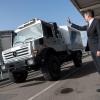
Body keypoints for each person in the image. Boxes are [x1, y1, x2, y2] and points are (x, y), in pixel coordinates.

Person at [68, 9, 100, 74]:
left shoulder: (97, 22)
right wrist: (71, 24)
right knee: (97, 66)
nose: (84, 17)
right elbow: (81, 28)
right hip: (92, 49)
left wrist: (99, 49)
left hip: (97, 49)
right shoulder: (89, 24)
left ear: (88, 15)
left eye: (84, 16)